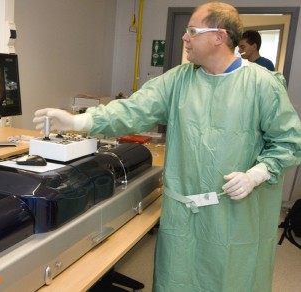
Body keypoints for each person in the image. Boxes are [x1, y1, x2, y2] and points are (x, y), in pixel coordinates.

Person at [33, 2, 301, 291]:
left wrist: (257, 174)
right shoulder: (178, 81)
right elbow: (133, 110)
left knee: (228, 279)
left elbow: (288, 142)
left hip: (234, 218)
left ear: (219, 37)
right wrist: (79, 122)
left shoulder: (262, 85)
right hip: (183, 215)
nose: (184, 38)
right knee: (178, 278)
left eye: (192, 31)